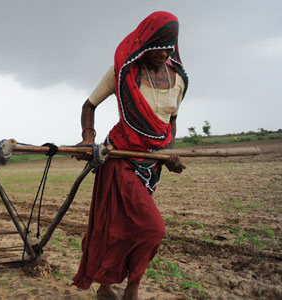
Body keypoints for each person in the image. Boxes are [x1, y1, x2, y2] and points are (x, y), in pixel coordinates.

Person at [71, 11, 187, 300]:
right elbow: (89, 105)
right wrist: (88, 138)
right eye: (158, 45)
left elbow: (171, 121)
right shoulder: (122, 72)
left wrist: (169, 154)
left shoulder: (179, 81)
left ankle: (108, 285)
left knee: (123, 228)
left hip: (152, 165)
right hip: (120, 157)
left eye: (169, 46)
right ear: (146, 41)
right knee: (152, 228)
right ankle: (131, 287)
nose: (164, 52)